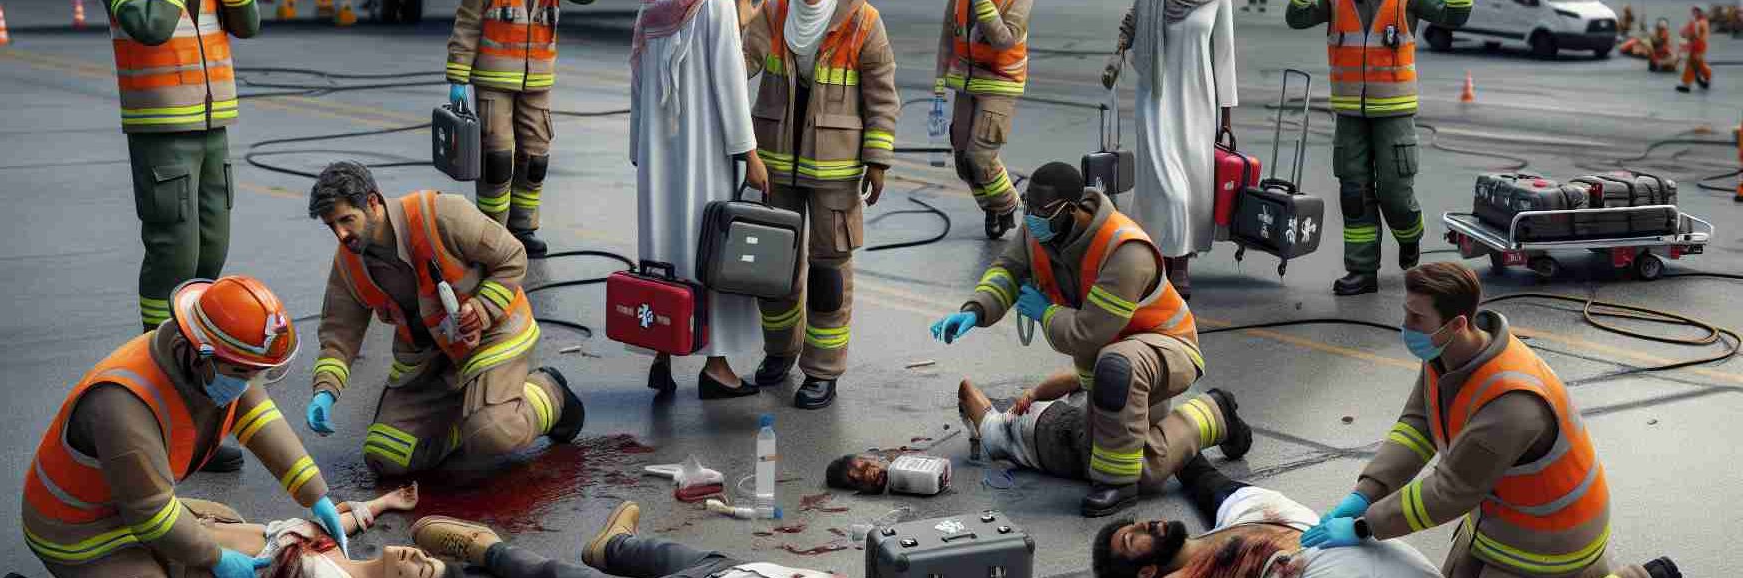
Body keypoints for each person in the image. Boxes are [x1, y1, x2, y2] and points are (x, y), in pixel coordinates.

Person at [1298, 263, 1671, 578]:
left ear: (1457, 323)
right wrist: (1366, 493)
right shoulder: (1444, 356)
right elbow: (1417, 426)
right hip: (1498, 516)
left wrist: (1367, 526)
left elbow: (1449, 491)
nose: (1406, 325)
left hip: (1550, 543)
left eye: (1416, 317)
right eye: (1405, 312)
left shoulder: (1511, 403)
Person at [929, 162, 1221, 517]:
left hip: (1166, 349)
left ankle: (1120, 484)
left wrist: (1045, 314)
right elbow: (1008, 270)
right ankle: (1213, 414)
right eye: (1028, 207)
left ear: (1073, 209)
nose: (1032, 218)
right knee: (1109, 445)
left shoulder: (1124, 249)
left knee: (1118, 390)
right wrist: (976, 310)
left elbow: (1088, 332)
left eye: (1042, 211)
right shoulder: (1040, 231)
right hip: (1115, 372)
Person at [20, 275, 352, 578]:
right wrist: (217, 558)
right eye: (242, 373)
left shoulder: (217, 367)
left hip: (131, 507)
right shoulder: (123, 405)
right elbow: (152, 515)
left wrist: (316, 494)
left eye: (254, 373)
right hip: (78, 533)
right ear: (195, 353)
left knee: (225, 527)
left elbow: (262, 422)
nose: (249, 384)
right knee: (197, 557)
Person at [302, 162, 585, 476]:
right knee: (386, 455)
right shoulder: (349, 265)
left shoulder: (439, 214)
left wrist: (480, 309)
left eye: (346, 220)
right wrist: (325, 392)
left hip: (492, 338)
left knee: (491, 432)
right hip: (429, 361)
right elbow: (338, 335)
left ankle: (550, 393)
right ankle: (461, 419)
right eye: (332, 226)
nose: (341, 234)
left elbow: (512, 256)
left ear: (373, 202)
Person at [735, 0, 900, 409]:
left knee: (828, 276)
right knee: (773, 270)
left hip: (836, 169)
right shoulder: (773, 12)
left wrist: (878, 160)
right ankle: (780, 351)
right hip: (776, 164)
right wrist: (736, 31)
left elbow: (882, 95)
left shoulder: (864, 22)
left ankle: (822, 371)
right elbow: (738, 72)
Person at [1286, 0, 1471, 296]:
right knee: (1354, 194)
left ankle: (1409, 234)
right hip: (1350, 115)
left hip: (1394, 113)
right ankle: (1361, 269)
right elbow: (1295, 15)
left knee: (1395, 192)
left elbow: (1456, 14)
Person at [631, 0, 769, 399]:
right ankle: (717, 366)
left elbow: (637, 84)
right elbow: (729, 84)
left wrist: (638, 145)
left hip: (658, 158)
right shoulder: (715, 2)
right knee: (712, 256)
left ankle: (662, 353)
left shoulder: (652, 5)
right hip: (704, 156)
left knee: (663, 253)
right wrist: (750, 154)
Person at [101, 0, 258, 336]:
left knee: (212, 249)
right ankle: (159, 346)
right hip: (161, 128)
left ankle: (196, 339)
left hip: (214, 125)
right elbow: (151, 25)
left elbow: (249, 24)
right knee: (173, 255)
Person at [825, 377, 1251, 496]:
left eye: (862, 466)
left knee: (1139, 471)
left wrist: (973, 421)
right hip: (1067, 425)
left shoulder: (994, 430)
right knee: (1133, 433)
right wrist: (1040, 392)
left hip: (1063, 439)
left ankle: (1213, 410)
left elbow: (967, 388)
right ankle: (1202, 413)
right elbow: (1079, 378)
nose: (868, 474)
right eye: (860, 479)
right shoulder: (1001, 429)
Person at [1091, 453, 1447, 577]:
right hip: (1319, 566)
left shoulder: (1235, 514)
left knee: (1204, 480)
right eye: (1131, 538)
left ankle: (1207, 418)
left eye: (1134, 523)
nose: (1144, 524)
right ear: (1147, 571)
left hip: (1287, 524)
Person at [446, 0, 600, 258]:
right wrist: (458, 76)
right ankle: (492, 233)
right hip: (494, 81)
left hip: (537, 82)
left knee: (535, 159)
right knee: (497, 159)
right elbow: (466, 25)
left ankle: (522, 229)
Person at [1103, 0, 1237, 299]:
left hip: (1198, 104)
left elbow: (1225, 56)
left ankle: (1176, 255)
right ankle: (1173, 264)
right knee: (1167, 187)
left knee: (1191, 188)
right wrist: (1117, 53)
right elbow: (1130, 26)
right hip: (1154, 100)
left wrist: (1227, 118)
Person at [409, 502, 844, 578]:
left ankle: (485, 549)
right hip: (736, 570)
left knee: (558, 575)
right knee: (668, 554)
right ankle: (613, 546)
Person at [934, 0, 1032, 238]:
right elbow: (947, 36)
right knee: (963, 161)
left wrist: (982, 3)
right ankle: (992, 206)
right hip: (966, 82)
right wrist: (939, 82)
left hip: (1000, 83)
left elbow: (1004, 39)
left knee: (980, 156)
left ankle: (1008, 204)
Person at [202, 483, 450, 578]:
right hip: (199, 526)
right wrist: (383, 503)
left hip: (182, 559)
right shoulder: (339, 554)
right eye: (427, 555)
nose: (417, 555)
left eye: (423, 571)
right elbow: (335, 527)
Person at [1676, 6, 1711, 93]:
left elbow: (1697, 35)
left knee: (1691, 64)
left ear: (1701, 12)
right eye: (1694, 10)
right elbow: (1686, 31)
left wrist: (1686, 35)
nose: (1695, 12)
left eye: (1697, 11)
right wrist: (1683, 33)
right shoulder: (1694, 21)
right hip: (1694, 45)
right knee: (1698, 64)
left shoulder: (1702, 22)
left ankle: (1686, 85)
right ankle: (1707, 76)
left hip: (1699, 46)